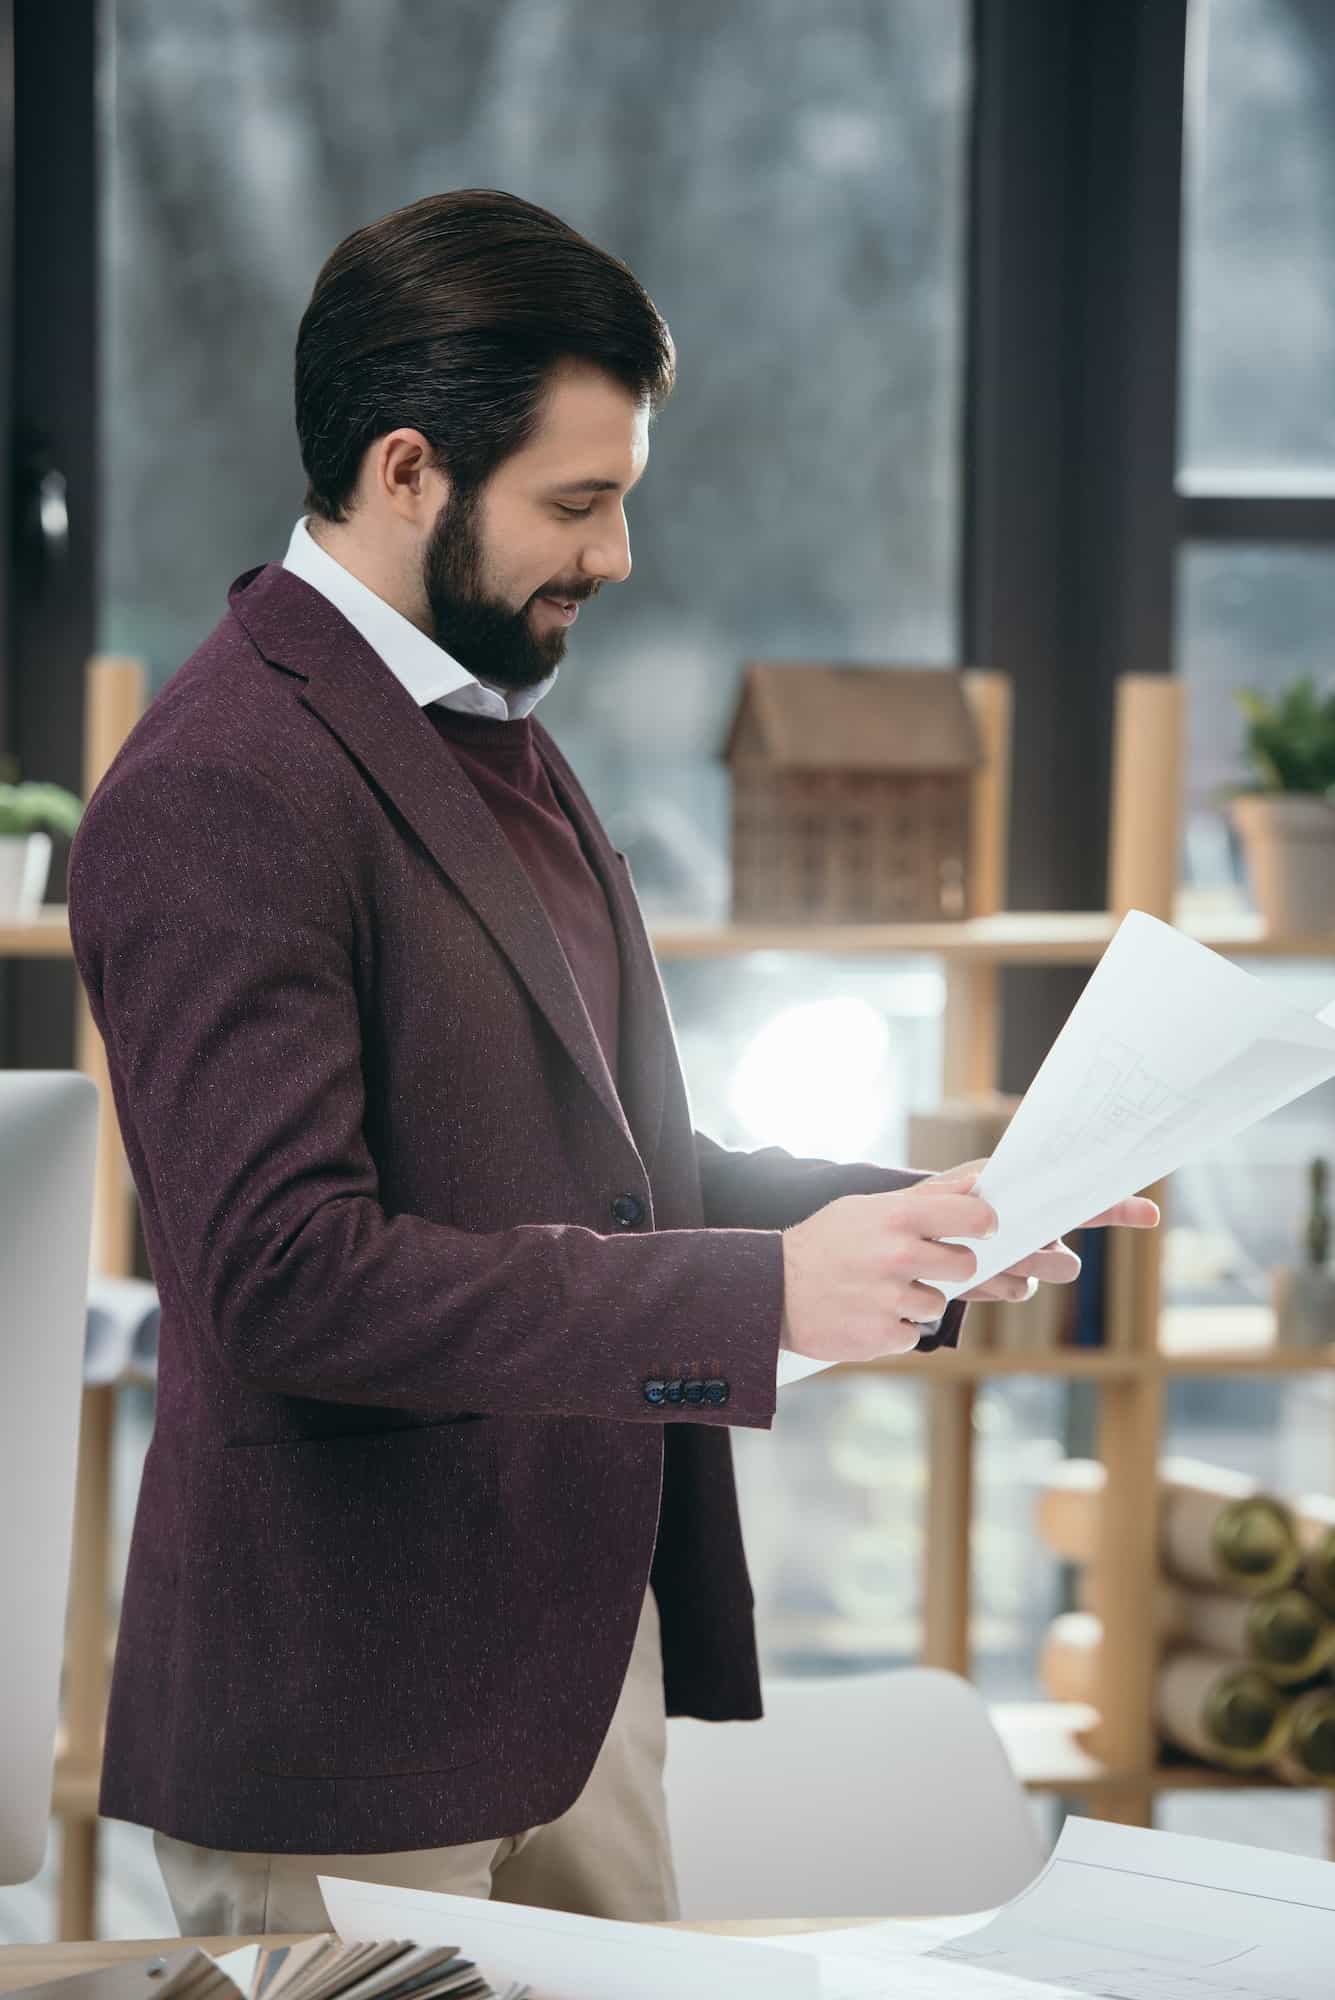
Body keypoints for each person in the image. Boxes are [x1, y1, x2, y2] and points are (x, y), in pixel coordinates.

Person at [66, 188, 1158, 1935]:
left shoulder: (497, 726)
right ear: (408, 468)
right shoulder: (218, 786)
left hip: (578, 1685)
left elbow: (616, 1179)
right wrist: (754, 1301)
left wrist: (928, 1221)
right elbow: (285, 1284)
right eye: (577, 503)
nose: (618, 556)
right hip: (353, 1730)